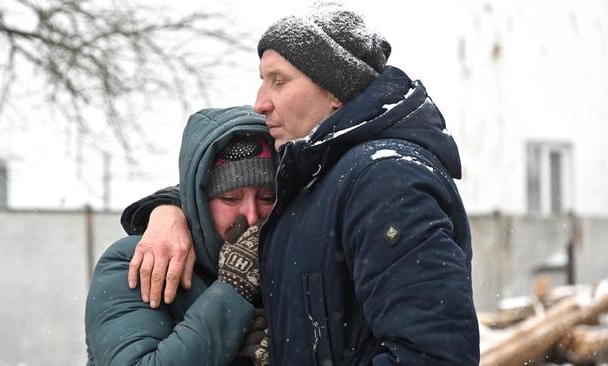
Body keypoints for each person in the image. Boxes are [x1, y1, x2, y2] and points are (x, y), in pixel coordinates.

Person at [122, 3, 480, 365]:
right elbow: (217, 185)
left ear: (335, 90)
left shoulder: (385, 179)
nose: (260, 102)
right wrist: (169, 211)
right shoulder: (317, 176)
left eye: (279, 81)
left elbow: (433, 355)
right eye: (262, 80)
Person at [85, 105, 275, 365]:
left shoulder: (289, 260)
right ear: (200, 200)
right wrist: (232, 291)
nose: (252, 216)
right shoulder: (138, 261)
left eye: (267, 197)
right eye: (230, 198)